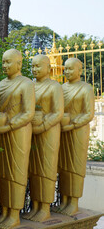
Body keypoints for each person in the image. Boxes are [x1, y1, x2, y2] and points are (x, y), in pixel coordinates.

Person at [0, 49, 35, 229]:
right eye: (3, 62)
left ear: (19, 64)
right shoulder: (0, 84)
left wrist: (10, 124)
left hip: (19, 132)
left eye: (9, 62)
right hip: (2, 132)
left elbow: (28, 112)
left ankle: (14, 214)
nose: (5, 65)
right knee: (4, 174)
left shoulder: (26, 84)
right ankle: (4, 212)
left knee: (17, 173)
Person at [23, 55, 63, 222]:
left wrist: (43, 125)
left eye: (39, 66)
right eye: (33, 66)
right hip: (33, 133)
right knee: (34, 171)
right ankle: (36, 205)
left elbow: (58, 112)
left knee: (46, 169)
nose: (35, 69)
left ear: (48, 67)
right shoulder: (30, 86)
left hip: (49, 132)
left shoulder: (54, 87)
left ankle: (45, 208)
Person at [58, 58, 94, 216]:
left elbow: (89, 114)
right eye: (65, 68)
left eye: (71, 69)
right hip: (62, 131)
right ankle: (64, 200)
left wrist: (72, 124)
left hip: (78, 131)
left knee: (75, 167)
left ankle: (74, 202)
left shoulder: (86, 89)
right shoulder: (60, 88)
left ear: (80, 70)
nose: (67, 72)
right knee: (63, 166)